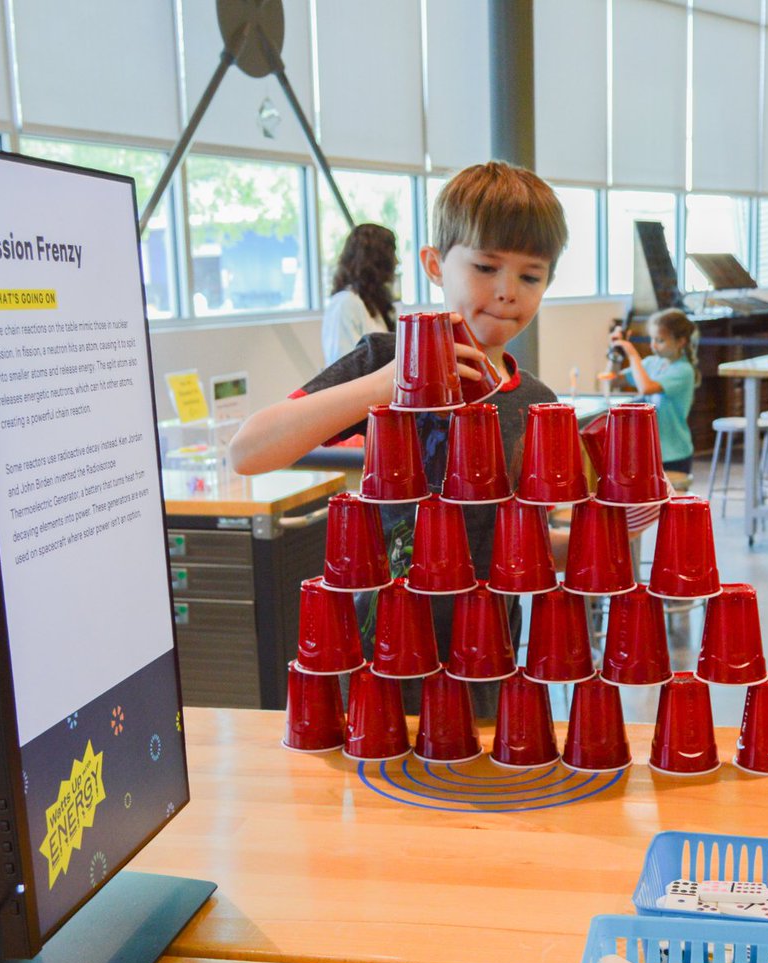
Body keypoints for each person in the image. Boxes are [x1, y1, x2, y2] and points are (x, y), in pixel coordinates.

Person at [231, 161, 570, 714]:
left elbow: (525, 547)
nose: (507, 292)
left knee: (475, 792)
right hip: (377, 661)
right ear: (435, 265)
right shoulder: (382, 362)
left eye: (530, 276)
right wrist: (387, 384)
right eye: (486, 266)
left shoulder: (537, 404)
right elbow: (248, 451)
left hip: (484, 669)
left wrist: (603, 532)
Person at [608, 308, 699, 474]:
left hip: (673, 454)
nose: (653, 345)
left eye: (660, 340)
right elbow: (614, 379)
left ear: (681, 342)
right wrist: (616, 352)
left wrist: (633, 355)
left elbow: (646, 388)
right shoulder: (652, 363)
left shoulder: (683, 370)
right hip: (648, 452)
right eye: (652, 339)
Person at [321, 223, 398, 365]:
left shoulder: (373, 305)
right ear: (377, 259)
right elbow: (342, 367)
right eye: (392, 254)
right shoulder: (345, 303)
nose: (396, 261)